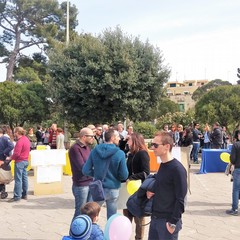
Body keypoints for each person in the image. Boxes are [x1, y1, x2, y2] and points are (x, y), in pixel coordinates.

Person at [147, 131, 187, 240]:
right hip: (155, 218)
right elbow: (164, 186)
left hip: (167, 221)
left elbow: (181, 198)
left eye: (155, 145)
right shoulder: (163, 166)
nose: (152, 147)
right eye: (152, 144)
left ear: (166, 147)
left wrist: (172, 222)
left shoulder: (177, 169)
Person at [83, 129, 128, 219]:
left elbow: (85, 170)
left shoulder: (95, 151)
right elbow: (124, 175)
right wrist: (115, 176)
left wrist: (96, 174)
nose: (119, 139)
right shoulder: (119, 153)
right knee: (112, 217)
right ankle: (109, 233)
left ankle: (89, 231)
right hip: (113, 187)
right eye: (118, 136)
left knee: (91, 214)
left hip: (98, 187)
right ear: (112, 138)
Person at [123, 133, 150, 240]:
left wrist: (132, 177)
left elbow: (146, 172)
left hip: (138, 188)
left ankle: (139, 238)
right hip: (128, 188)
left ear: (135, 140)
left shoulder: (142, 154)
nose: (127, 142)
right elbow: (120, 150)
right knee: (127, 214)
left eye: (129, 140)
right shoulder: (131, 153)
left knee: (139, 217)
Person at [68, 127, 94, 219]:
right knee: (80, 212)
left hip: (90, 182)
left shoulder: (87, 148)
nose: (93, 138)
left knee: (89, 212)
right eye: (91, 136)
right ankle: (74, 232)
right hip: (81, 185)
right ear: (83, 137)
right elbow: (82, 167)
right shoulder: (75, 148)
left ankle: (86, 232)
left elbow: (91, 163)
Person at [6, 127, 31, 202]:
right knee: (24, 178)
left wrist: (10, 158)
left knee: (18, 179)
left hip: (19, 161)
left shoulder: (20, 141)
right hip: (25, 160)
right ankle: (24, 194)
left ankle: (17, 196)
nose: (14, 133)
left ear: (17, 132)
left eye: (14, 132)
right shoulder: (26, 139)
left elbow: (16, 153)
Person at [226, 131, 240, 216]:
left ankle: (235, 209)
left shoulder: (236, 145)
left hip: (238, 169)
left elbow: (233, 159)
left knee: (236, 189)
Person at [0, 127, 14, 199]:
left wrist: (4, 152)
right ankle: (2, 191)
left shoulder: (4, 138)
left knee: (2, 175)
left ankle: (3, 191)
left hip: (2, 159)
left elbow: (11, 146)